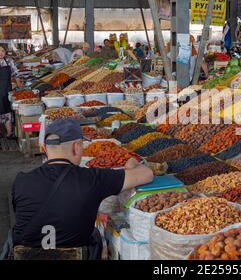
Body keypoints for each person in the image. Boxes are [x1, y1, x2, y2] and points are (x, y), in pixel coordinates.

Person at [9, 118, 153, 259]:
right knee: (97, 235)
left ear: (45, 149)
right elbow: (147, 174)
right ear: (76, 147)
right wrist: (131, 163)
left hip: (25, 255)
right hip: (79, 254)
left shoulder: (21, 180)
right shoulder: (92, 178)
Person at [0, 45, 23, 139]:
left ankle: (9, 133)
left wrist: (19, 86)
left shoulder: (9, 61)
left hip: (6, 90)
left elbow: (15, 74)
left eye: (2, 50)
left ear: (5, 52)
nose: (0, 53)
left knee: (6, 110)